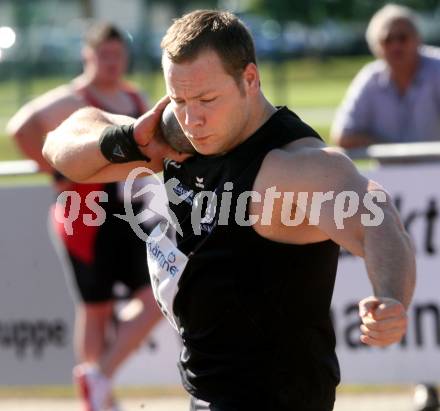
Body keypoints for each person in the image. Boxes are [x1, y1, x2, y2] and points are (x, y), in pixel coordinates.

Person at [42, 10, 416, 411]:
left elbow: (378, 220)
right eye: (180, 99)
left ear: (250, 80)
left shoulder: (292, 166)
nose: (192, 118)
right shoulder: (178, 138)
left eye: (206, 99)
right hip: (205, 395)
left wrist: (392, 299)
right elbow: (59, 148)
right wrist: (126, 139)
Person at [7, 22, 162, 411]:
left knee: (156, 297)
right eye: (104, 55)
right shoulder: (72, 99)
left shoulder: (134, 96)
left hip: (128, 213)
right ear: (88, 55)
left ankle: (99, 378)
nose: (112, 62)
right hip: (84, 215)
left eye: (118, 54)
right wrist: (57, 172)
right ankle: (98, 397)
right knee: (96, 308)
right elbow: (20, 128)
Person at [331, 4, 440, 148]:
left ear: (418, 39)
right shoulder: (369, 78)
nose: (396, 46)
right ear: (376, 47)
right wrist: (395, 151)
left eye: (402, 38)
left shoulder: (437, 68)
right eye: (388, 40)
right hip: (388, 170)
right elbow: (342, 136)